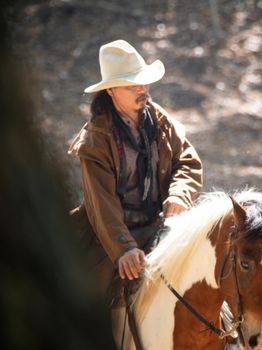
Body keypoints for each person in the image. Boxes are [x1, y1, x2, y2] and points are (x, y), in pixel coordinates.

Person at [68, 39, 203, 346]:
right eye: (132, 85)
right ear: (111, 91)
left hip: (158, 224)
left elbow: (187, 161)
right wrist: (124, 248)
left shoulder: (158, 120)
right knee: (92, 301)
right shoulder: (96, 140)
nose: (142, 89)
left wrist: (180, 196)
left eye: (143, 82)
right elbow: (101, 205)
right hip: (108, 234)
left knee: (209, 269)